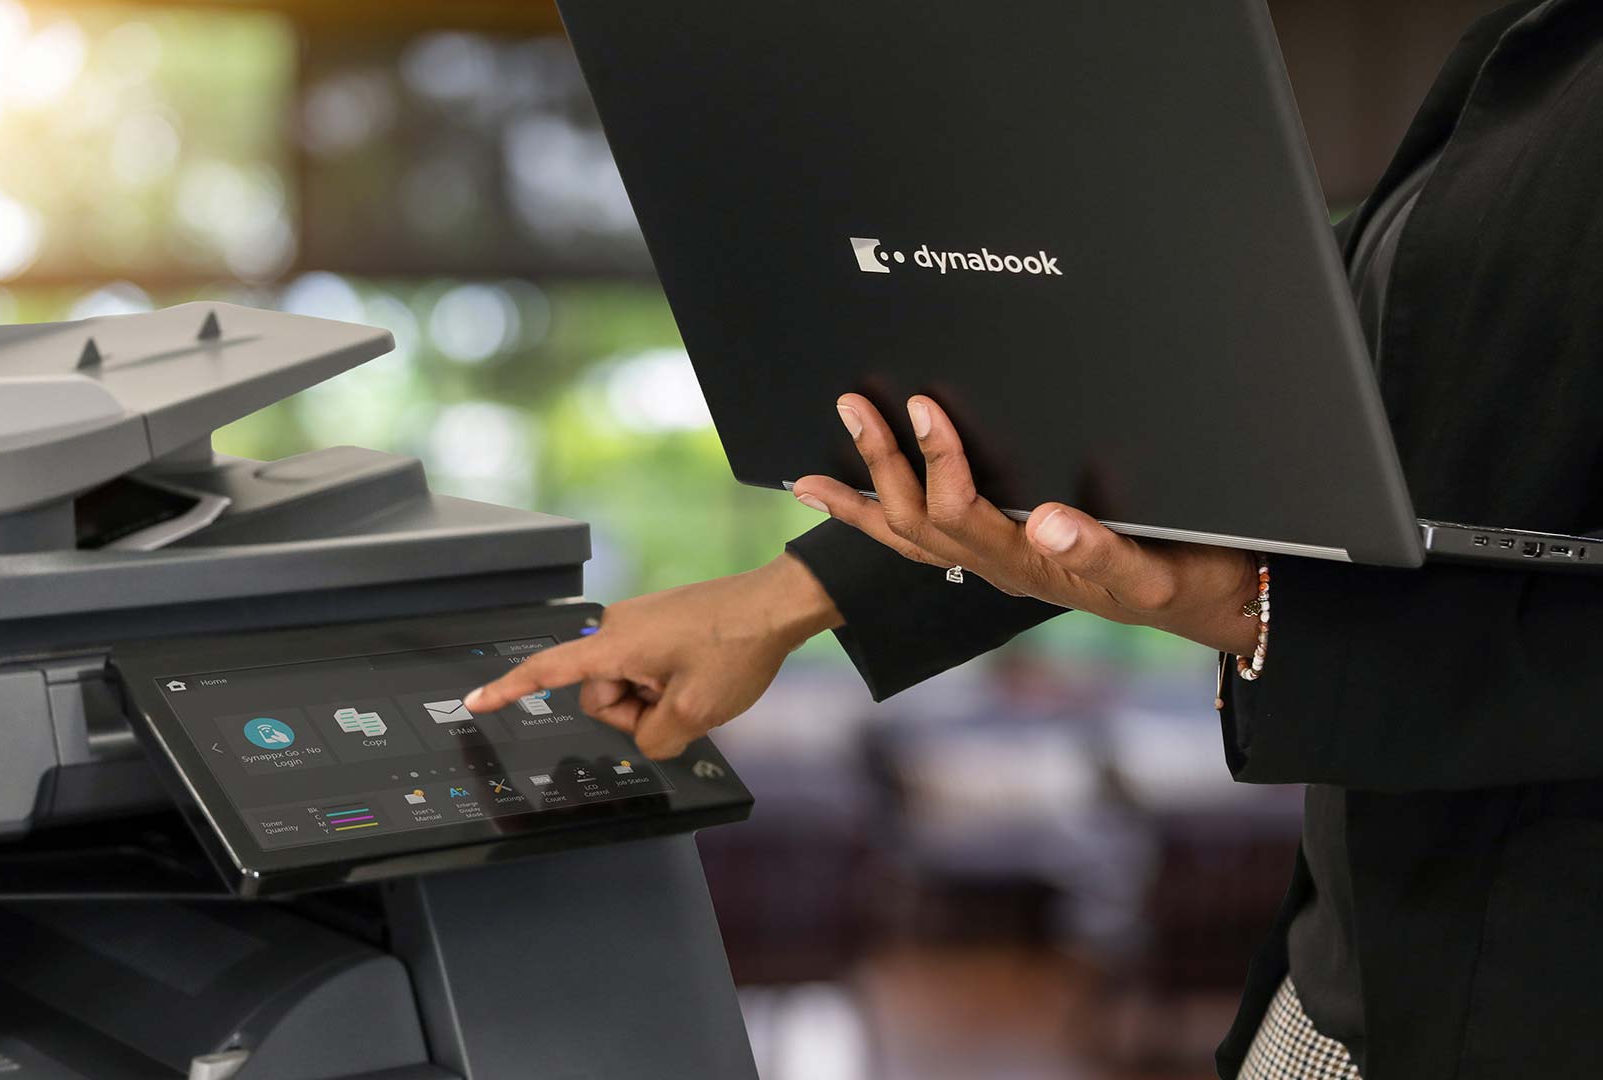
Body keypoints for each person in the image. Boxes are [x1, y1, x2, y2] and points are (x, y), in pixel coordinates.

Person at [468, 3, 1603, 1077]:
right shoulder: (1538, 47)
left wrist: (1250, 606)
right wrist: (782, 595)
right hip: (1354, 980)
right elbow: (1262, 379)